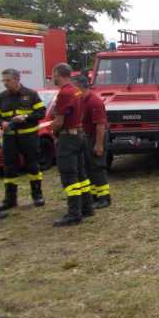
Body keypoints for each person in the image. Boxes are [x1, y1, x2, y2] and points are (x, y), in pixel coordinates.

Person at [0, 68, 46, 213]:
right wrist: (2, 123)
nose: (5, 83)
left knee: (33, 166)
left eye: (8, 80)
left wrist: (25, 117)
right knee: (9, 168)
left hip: (29, 137)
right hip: (9, 138)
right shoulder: (1, 97)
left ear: (17, 79)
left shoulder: (31, 94)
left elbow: (41, 112)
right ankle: (10, 200)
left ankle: (37, 196)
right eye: (3, 80)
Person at [51, 63, 93, 227]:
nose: (53, 78)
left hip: (68, 138)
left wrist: (53, 131)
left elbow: (59, 121)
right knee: (81, 174)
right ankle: (87, 207)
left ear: (58, 74)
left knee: (69, 176)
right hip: (79, 134)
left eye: (53, 74)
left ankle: (74, 214)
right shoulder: (76, 90)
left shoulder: (64, 93)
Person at [73, 75, 111, 208]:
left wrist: (99, 145)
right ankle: (94, 195)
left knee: (97, 167)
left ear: (80, 86)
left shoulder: (94, 102)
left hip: (96, 137)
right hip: (86, 137)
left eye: (73, 86)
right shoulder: (81, 100)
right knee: (88, 168)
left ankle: (104, 198)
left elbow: (100, 125)